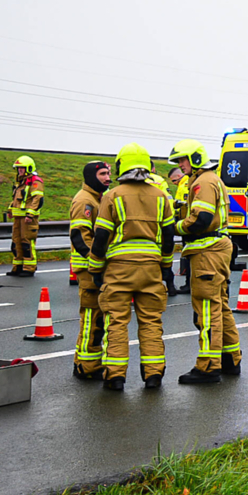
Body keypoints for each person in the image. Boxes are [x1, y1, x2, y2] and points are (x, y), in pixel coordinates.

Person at [88, 144, 174, 392]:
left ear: (120, 166)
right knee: (151, 322)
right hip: (151, 268)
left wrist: (95, 269)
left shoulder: (112, 196)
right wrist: (166, 267)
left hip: (118, 269)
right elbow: (168, 236)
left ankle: (115, 377)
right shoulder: (160, 196)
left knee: (116, 322)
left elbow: (102, 236)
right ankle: (154, 375)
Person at [168, 138, 241, 383]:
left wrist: (175, 227)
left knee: (207, 310)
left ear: (196, 159)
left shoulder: (203, 182)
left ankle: (208, 367)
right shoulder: (207, 180)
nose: (180, 165)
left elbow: (201, 219)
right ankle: (231, 359)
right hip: (215, 249)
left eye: (183, 160)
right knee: (220, 305)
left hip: (207, 250)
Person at [69, 161, 111, 381]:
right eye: (103, 174)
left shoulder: (97, 198)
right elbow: (79, 236)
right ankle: (87, 366)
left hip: (94, 268)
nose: (107, 177)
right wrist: (95, 263)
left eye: (109, 173)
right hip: (88, 269)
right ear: (91, 177)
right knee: (92, 319)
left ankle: (86, 361)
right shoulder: (85, 200)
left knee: (97, 319)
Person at [7, 156, 44, 277]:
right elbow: (16, 199)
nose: (19, 171)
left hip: (28, 219)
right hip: (18, 218)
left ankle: (29, 268)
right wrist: (10, 209)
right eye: (18, 168)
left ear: (28, 168)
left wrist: (30, 214)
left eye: (21, 168)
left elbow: (37, 199)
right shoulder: (21, 182)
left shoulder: (35, 181)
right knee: (16, 242)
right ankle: (18, 267)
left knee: (26, 242)